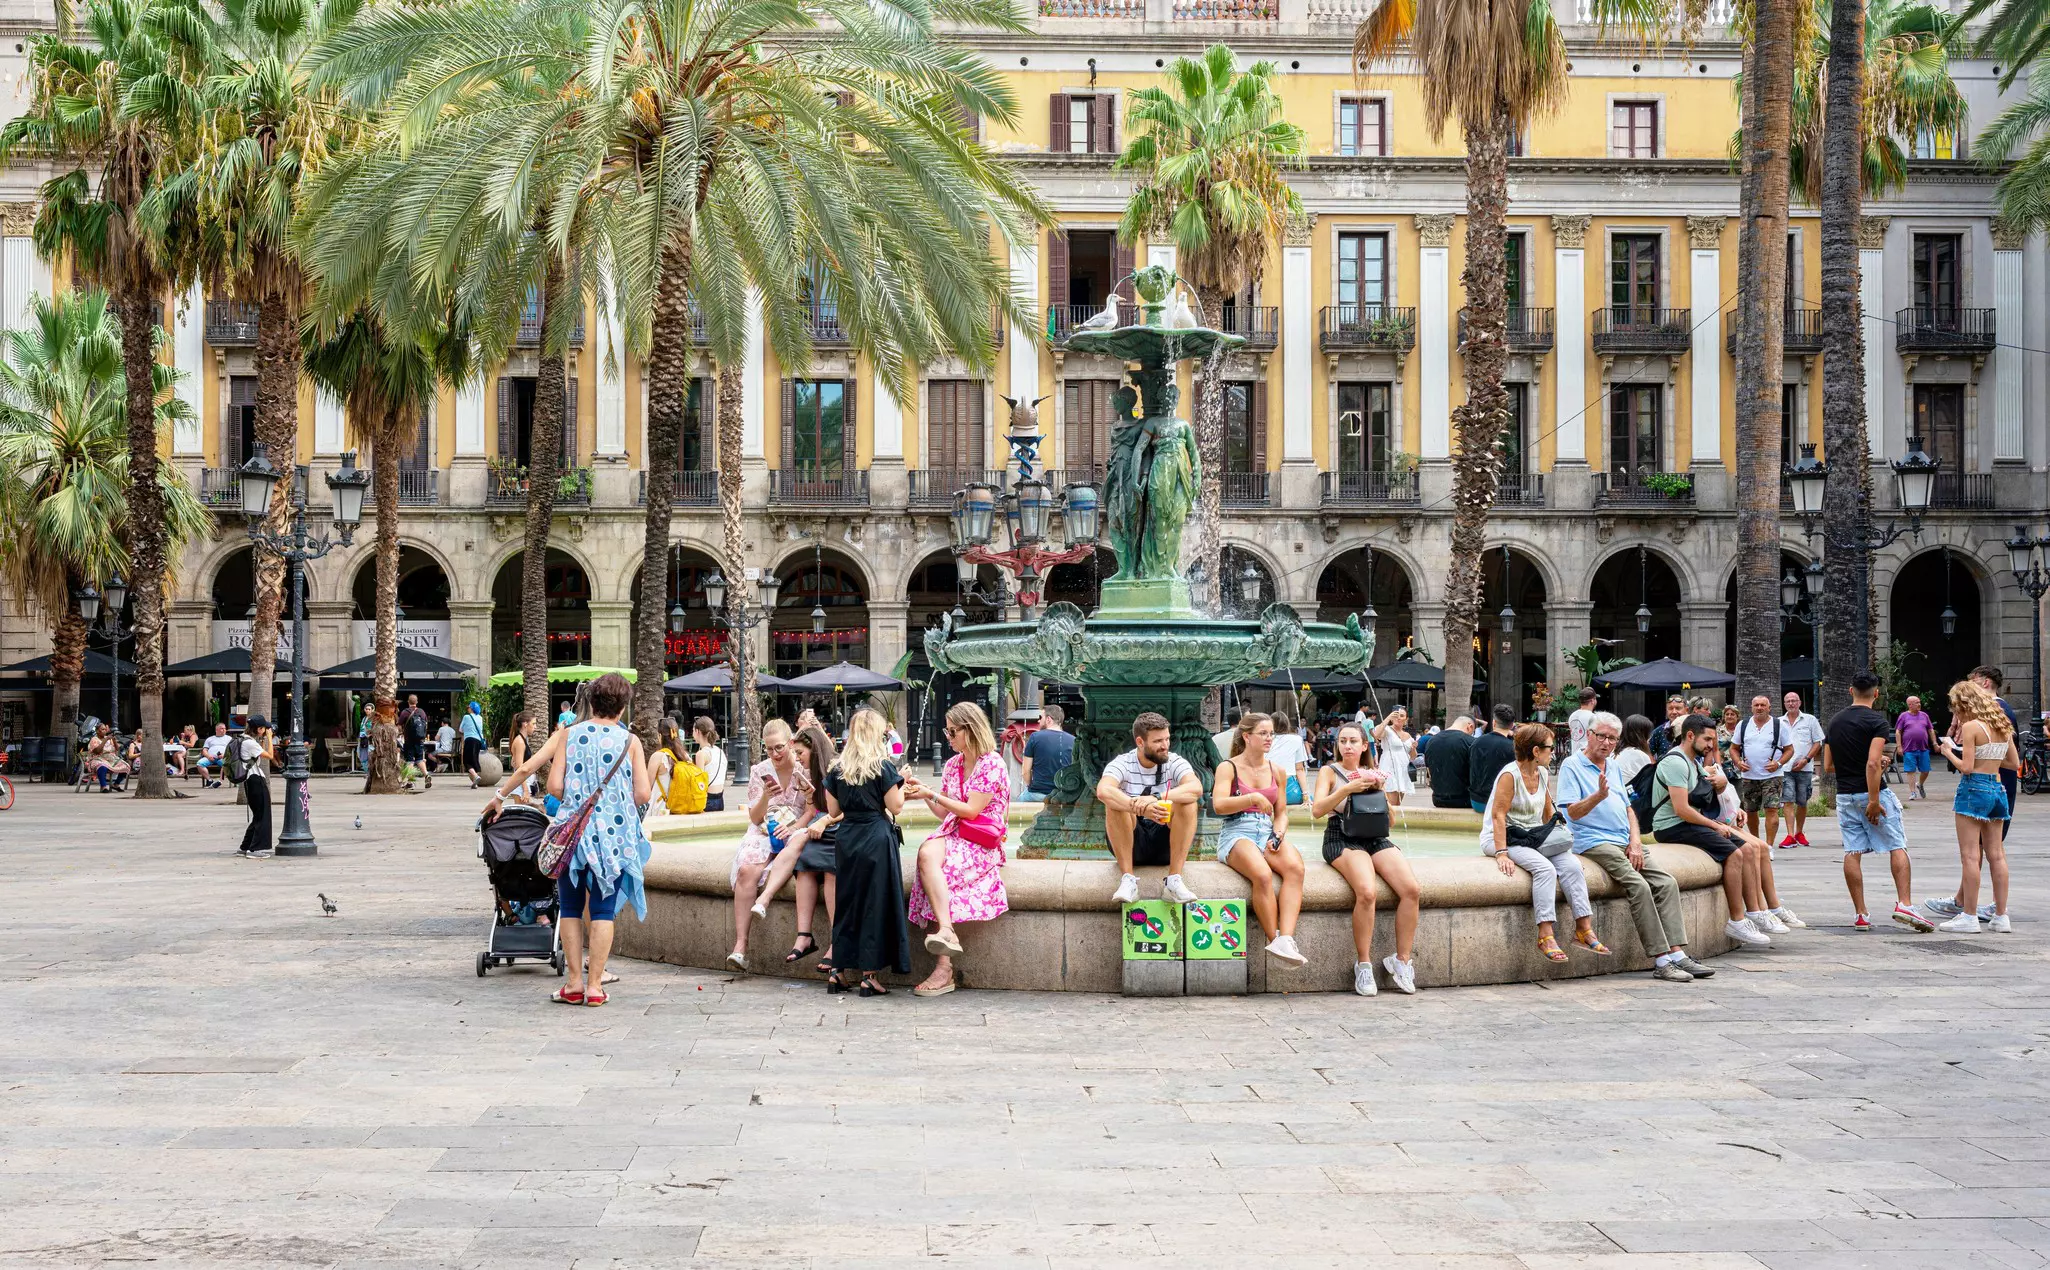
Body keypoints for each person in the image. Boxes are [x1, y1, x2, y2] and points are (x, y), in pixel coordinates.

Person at [484, 672, 652, 1007]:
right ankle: (595, 988)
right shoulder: (629, 741)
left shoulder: (569, 735)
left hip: (572, 836)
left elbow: (553, 786)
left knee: (572, 908)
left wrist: (500, 796)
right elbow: (643, 793)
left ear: (592, 701)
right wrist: (611, 803)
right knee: (603, 911)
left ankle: (574, 984)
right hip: (613, 839)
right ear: (622, 708)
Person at [1557, 712, 1710, 982]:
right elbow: (1573, 813)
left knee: (1666, 883)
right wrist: (1598, 796)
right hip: (1593, 841)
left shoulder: (1613, 765)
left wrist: (1636, 840)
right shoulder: (1572, 765)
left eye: (1612, 739)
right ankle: (1661, 960)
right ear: (1589, 735)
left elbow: (1628, 809)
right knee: (1638, 886)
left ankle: (1677, 954)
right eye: (1601, 736)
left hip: (1625, 839)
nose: (1606, 743)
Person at [905, 702, 1011, 996]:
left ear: (971, 729)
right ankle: (947, 931)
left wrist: (931, 792)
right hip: (956, 833)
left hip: (981, 843)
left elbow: (972, 810)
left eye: (953, 732)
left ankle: (943, 967)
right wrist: (922, 792)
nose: (948, 737)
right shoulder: (953, 764)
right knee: (926, 853)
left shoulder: (992, 763)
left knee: (939, 869)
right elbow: (945, 815)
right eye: (947, 731)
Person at [1481, 723, 1608, 962]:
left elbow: (1548, 813)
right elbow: (1498, 816)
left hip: (1534, 836)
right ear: (1536, 751)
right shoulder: (1510, 775)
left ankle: (1583, 929)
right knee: (1545, 869)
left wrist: (1562, 841)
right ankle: (1545, 935)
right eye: (1550, 748)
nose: (1554, 752)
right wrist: (1501, 853)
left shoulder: (1542, 773)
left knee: (1571, 866)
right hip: (1504, 837)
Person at [1313, 721, 1420, 995]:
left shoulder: (1373, 773)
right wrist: (1348, 789)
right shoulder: (1328, 771)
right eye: (1342, 741)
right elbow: (1317, 810)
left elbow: (1391, 823)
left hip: (1374, 835)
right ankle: (1363, 964)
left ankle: (1401, 960)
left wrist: (1378, 791)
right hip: (1342, 836)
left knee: (1411, 890)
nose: (1347, 746)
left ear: (1364, 746)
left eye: (1352, 741)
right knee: (1367, 892)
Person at [1649, 714, 1775, 947]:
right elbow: (1681, 809)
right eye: (1707, 739)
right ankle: (1737, 921)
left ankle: (1756, 913)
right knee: (1734, 854)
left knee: (1748, 849)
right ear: (1689, 736)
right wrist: (1715, 825)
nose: (1711, 745)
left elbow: (1712, 790)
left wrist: (1726, 794)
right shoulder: (1675, 762)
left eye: (1712, 740)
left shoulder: (1693, 762)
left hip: (1688, 822)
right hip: (1671, 826)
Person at [1825, 672, 1934, 933]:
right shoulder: (1877, 721)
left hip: (1845, 795)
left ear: (1851, 691)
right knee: (1897, 845)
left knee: (1852, 850)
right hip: (1872, 793)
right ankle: (1905, 904)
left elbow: (1828, 766)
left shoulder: (1834, 722)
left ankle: (1861, 913)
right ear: (1876, 693)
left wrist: (1871, 765)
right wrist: (1874, 800)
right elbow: (1873, 762)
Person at [1211, 712, 1309, 967]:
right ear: (1247, 736)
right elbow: (1219, 805)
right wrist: (1252, 798)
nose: (1269, 738)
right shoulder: (1228, 767)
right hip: (1236, 831)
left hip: (1267, 831)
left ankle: (1286, 939)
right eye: (1263, 733)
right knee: (1263, 875)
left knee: (1296, 869)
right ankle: (1273, 938)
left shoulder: (1277, 770)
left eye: (1271, 734)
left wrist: (1278, 835)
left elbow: (1282, 814)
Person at [825, 708, 910, 996]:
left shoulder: (837, 768)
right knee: (874, 903)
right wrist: (901, 780)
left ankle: (838, 970)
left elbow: (833, 810)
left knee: (847, 902)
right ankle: (869, 975)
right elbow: (896, 806)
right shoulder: (883, 767)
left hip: (847, 837)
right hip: (875, 837)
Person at [750, 726, 839, 970]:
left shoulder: (835, 769)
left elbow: (844, 809)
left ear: (815, 750)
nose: (796, 757)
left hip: (836, 829)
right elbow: (814, 808)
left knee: (830, 869)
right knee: (805, 865)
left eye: (799, 752)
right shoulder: (810, 773)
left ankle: (837, 941)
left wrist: (822, 818)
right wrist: (810, 797)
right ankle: (804, 936)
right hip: (819, 828)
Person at [1932, 679, 2018, 933]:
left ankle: (1969, 916)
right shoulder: (2002, 724)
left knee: (1970, 855)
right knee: (1997, 854)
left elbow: (1967, 768)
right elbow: (2013, 762)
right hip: (1998, 787)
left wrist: (1948, 751)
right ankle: (2001, 916)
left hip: (1974, 789)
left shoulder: (1971, 727)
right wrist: (1988, 757)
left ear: (1963, 704)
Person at [726, 719, 812, 969]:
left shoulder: (804, 767)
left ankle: (763, 905)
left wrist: (795, 827)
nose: (774, 754)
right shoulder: (759, 771)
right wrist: (766, 795)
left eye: (779, 747)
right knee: (746, 870)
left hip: (795, 828)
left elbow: (812, 809)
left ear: (791, 743)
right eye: (769, 749)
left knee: (793, 848)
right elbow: (754, 817)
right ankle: (740, 946)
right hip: (765, 829)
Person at [1097, 711, 1204, 905]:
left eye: (1167, 739)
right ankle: (1128, 879)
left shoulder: (1175, 761)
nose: (1165, 746)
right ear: (1140, 742)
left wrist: (1156, 798)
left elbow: (1196, 788)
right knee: (1114, 805)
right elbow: (1103, 791)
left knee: (1188, 802)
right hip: (1132, 845)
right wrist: (1138, 807)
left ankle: (1174, 880)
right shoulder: (1123, 763)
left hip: (1166, 844)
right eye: (1158, 741)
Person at [1729, 695, 1793, 848]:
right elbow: (1733, 748)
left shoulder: (1779, 725)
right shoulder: (1743, 725)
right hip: (1749, 776)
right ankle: (1756, 843)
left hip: (1773, 775)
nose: (1759, 708)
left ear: (1769, 708)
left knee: (1772, 809)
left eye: (1763, 705)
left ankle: (1769, 846)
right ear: (1751, 707)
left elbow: (1789, 750)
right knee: (1751, 811)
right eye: (1756, 705)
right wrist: (1738, 762)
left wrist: (1778, 763)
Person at [1777, 692, 1826, 847]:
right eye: (1788, 701)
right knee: (1788, 800)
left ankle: (1799, 832)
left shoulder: (1810, 720)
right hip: (1785, 768)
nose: (1791, 703)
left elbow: (1818, 742)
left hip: (1805, 768)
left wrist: (1806, 760)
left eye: (1794, 701)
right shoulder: (1778, 722)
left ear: (1799, 703)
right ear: (1784, 704)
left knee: (1802, 802)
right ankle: (1790, 835)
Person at [1018, 704, 1074, 803]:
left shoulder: (1035, 737)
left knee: (1019, 804)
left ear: (1048, 719)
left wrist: (1031, 786)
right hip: (1063, 795)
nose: (1038, 721)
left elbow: (1025, 771)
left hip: (1037, 794)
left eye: (1041, 717)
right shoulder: (1073, 740)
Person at [237, 718, 276, 857]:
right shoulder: (249, 743)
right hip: (255, 780)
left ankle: (245, 846)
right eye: (265, 729)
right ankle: (255, 849)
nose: (266, 731)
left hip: (250, 780)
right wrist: (270, 738)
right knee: (263, 815)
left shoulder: (243, 739)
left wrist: (264, 740)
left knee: (258, 815)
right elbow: (270, 756)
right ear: (259, 729)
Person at [1469, 705, 1517, 814]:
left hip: (1478, 802)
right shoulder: (1513, 747)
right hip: (1503, 803)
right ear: (1512, 725)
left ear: (1494, 723)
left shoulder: (1477, 743)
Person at [1426, 716, 1476, 810]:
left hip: (1438, 799)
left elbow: (1429, 772)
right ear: (1470, 726)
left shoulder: (1431, 741)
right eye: (1472, 732)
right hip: (1464, 800)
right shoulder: (1470, 742)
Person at [1370, 707, 1416, 807]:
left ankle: (1394, 822)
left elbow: (1413, 757)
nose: (1399, 718)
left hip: (1403, 770)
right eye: (1396, 715)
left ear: (1406, 719)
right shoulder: (1387, 730)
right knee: (1390, 804)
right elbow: (1376, 735)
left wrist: (1413, 748)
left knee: (1398, 805)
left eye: (1402, 716)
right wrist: (1388, 718)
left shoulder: (1408, 735)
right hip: (1390, 768)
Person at [1895, 694, 1935, 801]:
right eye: (1917, 702)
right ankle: (1913, 792)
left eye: (1919, 702)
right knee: (1910, 770)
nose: (1919, 704)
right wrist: (1899, 746)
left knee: (1926, 770)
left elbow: (1930, 730)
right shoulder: (1903, 716)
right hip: (1908, 748)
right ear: (1910, 705)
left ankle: (1920, 784)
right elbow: (1898, 731)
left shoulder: (1924, 715)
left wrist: (1935, 743)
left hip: (1923, 748)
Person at [693, 717, 729, 812]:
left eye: (693, 731)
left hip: (707, 800)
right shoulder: (720, 752)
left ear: (697, 731)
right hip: (720, 799)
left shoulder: (701, 754)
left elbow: (699, 783)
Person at [1613, 714, 1655, 784]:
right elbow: (1650, 783)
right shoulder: (1639, 755)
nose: (1650, 737)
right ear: (1643, 735)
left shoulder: (1615, 751)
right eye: (1649, 733)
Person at [84, 723, 127, 791]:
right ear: (97, 731)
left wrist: (114, 741)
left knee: (125, 766)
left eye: (105, 729)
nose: (105, 731)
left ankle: (116, 785)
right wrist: (105, 740)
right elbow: (97, 751)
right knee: (102, 766)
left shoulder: (109, 739)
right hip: (97, 759)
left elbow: (117, 749)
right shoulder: (94, 739)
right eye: (102, 729)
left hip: (109, 759)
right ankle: (103, 786)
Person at [398, 693, 430, 773]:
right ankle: (426, 774)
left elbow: (399, 725)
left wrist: (401, 732)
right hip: (420, 739)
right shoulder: (421, 712)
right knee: (419, 759)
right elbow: (426, 724)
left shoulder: (405, 712)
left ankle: (409, 779)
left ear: (408, 702)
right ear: (417, 702)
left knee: (410, 760)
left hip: (409, 739)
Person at [1567, 687, 1599, 757]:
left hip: (1574, 754)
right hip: (1588, 755)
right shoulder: (1593, 717)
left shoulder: (1572, 716)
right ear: (1592, 701)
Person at [459, 702, 486, 787]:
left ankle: (476, 776)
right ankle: (475, 783)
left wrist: (467, 730)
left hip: (469, 740)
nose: (468, 709)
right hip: (478, 741)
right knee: (475, 759)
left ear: (471, 709)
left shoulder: (466, 717)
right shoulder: (480, 718)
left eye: (469, 707)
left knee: (466, 761)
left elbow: (460, 729)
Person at [197, 723, 231, 788]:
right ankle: (209, 780)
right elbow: (204, 750)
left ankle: (220, 781)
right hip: (210, 757)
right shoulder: (210, 739)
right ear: (216, 730)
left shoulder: (229, 738)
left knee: (226, 764)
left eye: (225, 728)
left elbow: (232, 750)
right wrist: (208, 756)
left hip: (223, 757)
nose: (224, 730)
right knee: (199, 764)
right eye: (222, 728)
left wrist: (224, 755)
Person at [1715, 703, 1742, 770]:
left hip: (1739, 767)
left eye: (1732, 714)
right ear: (1724, 717)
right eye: (1727, 714)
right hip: (1722, 766)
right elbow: (1714, 749)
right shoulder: (1716, 731)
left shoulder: (1742, 730)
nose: (1729, 716)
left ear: (1737, 716)